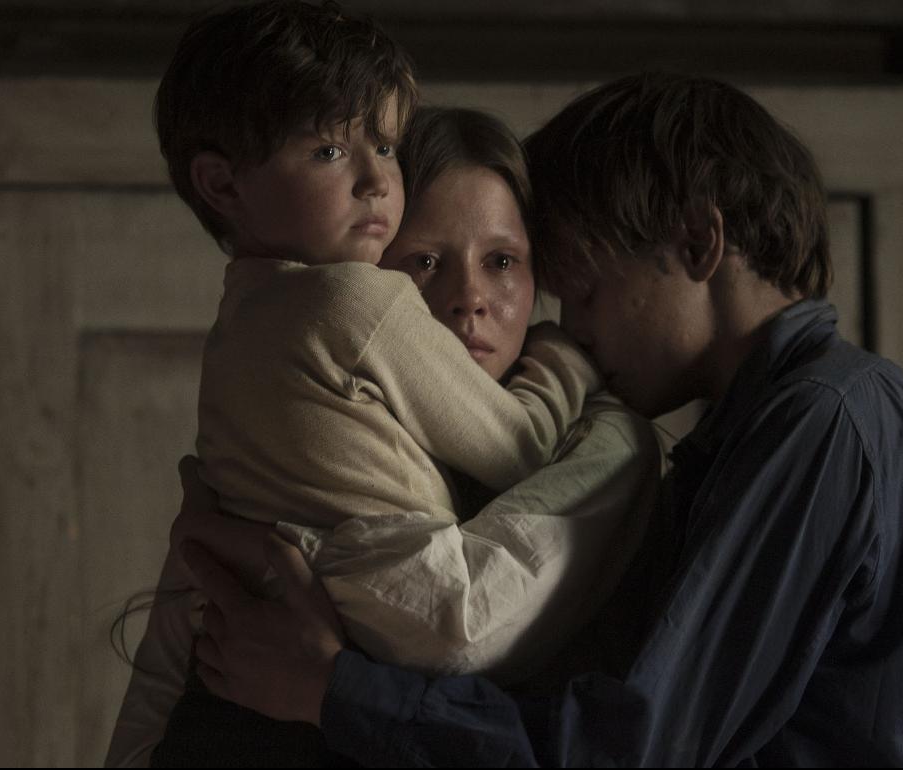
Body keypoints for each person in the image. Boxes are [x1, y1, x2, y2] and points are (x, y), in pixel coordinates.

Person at [178, 72, 903, 766]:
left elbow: (642, 745)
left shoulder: (822, 421)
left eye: (584, 291)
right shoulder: (742, 436)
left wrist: (332, 688)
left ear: (698, 243)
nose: (571, 329)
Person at [105, 3, 655, 765]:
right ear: (372, 263)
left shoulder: (603, 447)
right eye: (422, 263)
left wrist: (329, 682)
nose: (469, 299)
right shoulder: (312, 385)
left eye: (502, 261)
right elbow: (157, 694)